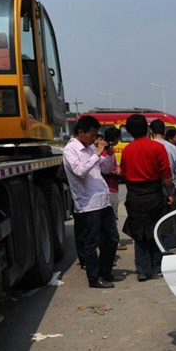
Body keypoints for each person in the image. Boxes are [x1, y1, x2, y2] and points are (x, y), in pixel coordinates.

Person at [63, 115, 120, 288]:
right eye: (92, 134)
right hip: (88, 204)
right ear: (81, 132)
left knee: (112, 238)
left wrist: (107, 154)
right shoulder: (70, 150)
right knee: (91, 242)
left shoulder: (88, 149)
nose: (95, 138)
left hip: (102, 201)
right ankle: (94, 278)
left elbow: (105, 168)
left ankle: (105, 271)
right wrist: (96, 153)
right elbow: (80, 171)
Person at [120, 114, 175, 282]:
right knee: (155, 230)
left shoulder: (127, 150)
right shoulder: (157, 148)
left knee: (139, 233)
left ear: (129, 131)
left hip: (135, 195)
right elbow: (166, 175)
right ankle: (157, 267)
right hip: (154, 193)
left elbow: (123, 172)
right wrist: (171, 193)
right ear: (147, 129)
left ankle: (142, 270)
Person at [150, 119, 176, 206]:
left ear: (150, 131)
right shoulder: (173, 148)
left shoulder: (148, 147)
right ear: (164, 131)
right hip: (169, 189)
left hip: (151, 189)